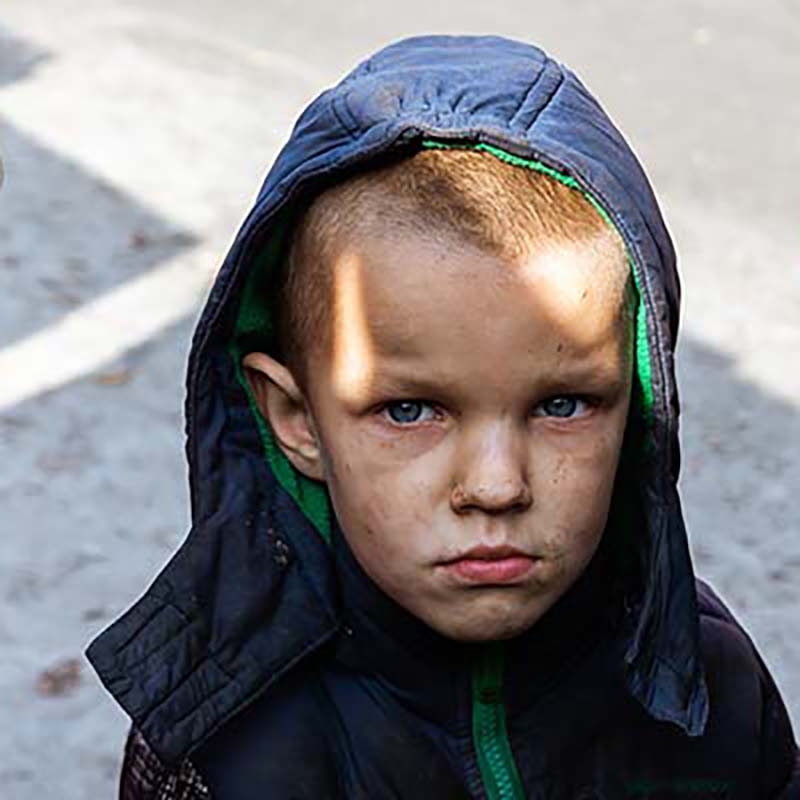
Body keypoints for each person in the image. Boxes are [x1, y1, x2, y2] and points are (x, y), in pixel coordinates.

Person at [86, 35, 799, 799]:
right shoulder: (227, 741)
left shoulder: (709, 692)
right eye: (410, 410)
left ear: (639, 399)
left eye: (564, 404)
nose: (495, 488)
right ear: (296, 417)